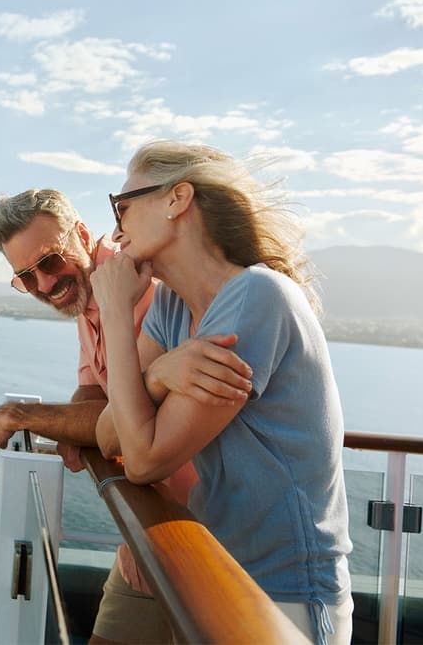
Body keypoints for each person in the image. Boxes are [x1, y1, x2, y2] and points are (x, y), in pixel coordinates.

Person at [91, 140, 353, 644]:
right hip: (217, 572)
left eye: (123, 205)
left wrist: (116, 315)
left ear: (177, 199)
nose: (117, 226)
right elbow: (108, 435)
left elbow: (142, 460)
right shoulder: (170, 307)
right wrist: (158, 372)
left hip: (286, 597)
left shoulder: (257, 296)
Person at [0, 188, 251, 644]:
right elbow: (91, 389)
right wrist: (69, 428)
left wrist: (18, 416)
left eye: (49, 261)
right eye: (25, 276)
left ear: (81, 234)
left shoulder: (138, 287)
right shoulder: (85, 293)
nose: (44, 284)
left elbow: (117, 423)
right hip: (149, 533)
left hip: (213, 543)